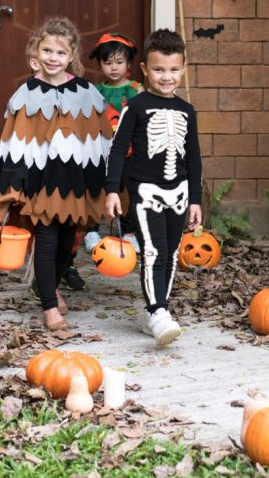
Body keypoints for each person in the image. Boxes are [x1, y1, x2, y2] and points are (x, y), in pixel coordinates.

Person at [0, 17, 112, 331]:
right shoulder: (26, 94)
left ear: (71, 57)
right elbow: (12, 141)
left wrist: (106, 184)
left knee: (67, 240)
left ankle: (49, 286)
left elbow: (99, 141)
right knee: (46, 239)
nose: (53, 57)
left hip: (72, 183)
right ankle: (49, 308)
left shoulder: (86, 93)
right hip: (38, 183)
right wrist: (12, 184)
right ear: (35, 52)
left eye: (60, 52)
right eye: (47, 50)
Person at [105, 29, 201, 346]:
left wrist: (196, 201)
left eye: (173, 70)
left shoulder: (187, 110)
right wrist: (112, 191)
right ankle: (159, 311)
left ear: (183, 68)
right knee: (152, 251)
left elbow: (195, 159)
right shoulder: (136, 106)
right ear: (145, 69)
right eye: (159, 70)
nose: (166, 77)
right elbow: (118, 150)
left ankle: (155, 312)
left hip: (180, 193)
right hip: (145, 192)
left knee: (171, 254)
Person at [73, 32, 143, 289]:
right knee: (96, 189)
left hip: (129, 152)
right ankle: (92, 229)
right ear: (100, 64)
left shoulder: (136, 90)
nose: (114, 67)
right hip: (99, 150)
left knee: (126, 191)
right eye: (108, 62)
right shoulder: (96, 91)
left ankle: (129, 231)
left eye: (119, 62)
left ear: (129, 64)